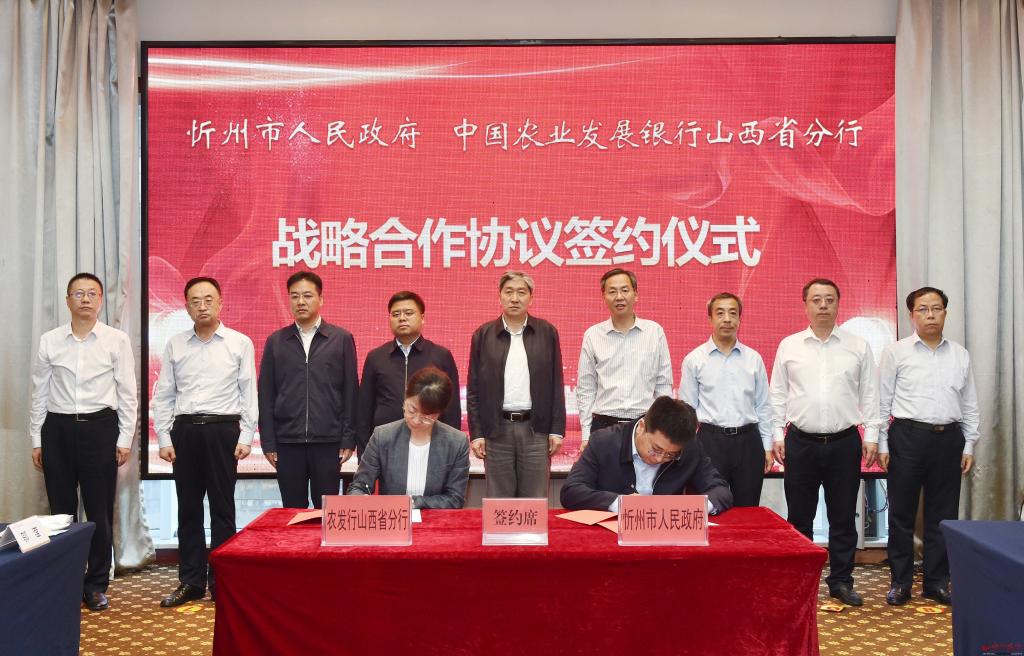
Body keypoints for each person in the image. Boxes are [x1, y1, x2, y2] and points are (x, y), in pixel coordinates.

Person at [29, 273, 138, 612]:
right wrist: (37, 439)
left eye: (92, 293)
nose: (86, 299)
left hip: (100, 429)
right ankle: (66, 580)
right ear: (68, 300)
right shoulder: (50, 340)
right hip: (57, 429)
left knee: (98, 511)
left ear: (101, 300)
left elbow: (128, 393)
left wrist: (124, 438)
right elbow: (39, 392)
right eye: (79, 293)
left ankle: (96, 584)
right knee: (60, 512)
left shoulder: (116, 340)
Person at [769, 278, 880, 607]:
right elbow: (777, 395)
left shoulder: (857, 346)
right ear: (805, 305)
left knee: (843, 517)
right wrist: (776, 434)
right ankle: (801, 582)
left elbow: (869, 394)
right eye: (816, 300)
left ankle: (841, 581)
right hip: (800, 442)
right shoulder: (790, 346)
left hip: (844, 442)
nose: (823, 305)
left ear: (837, 304)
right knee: (799, 517)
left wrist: (872, 435)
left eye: (829, 299)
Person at [152, 277, 258, 607]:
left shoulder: (239, 343)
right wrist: (164, 437)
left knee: (223, 509)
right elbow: (164, 394)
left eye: (208, 299)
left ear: (221, 303)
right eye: (195, 301)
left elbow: (248, 392)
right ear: (186, 307)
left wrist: (246, 436)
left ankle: (222, 581)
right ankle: (191, 581)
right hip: (185, 431)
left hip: (222, 431)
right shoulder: (175, 344)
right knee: (188, 509)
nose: (202, 306)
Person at [878, 286, 980, 606]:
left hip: (949, 439)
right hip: (907, 437)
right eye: (923, 309)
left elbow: (969, 403)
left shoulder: (959, 354)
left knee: (943, 514)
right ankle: (900, 582)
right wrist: (882, 443)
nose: (930, 315)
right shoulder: (897, 352)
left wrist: (969, 444)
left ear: (945, 314)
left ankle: (937, 582)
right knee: (901, 513)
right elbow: (882, 401)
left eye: (936, 308)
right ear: (912, 315)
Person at [258, 271, 357, 508]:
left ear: (320, 299)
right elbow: (266, 395)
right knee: (292, 512)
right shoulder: (276, 341)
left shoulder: (341, 339)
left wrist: (348, 439)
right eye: (294, 296)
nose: (300, 302)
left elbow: (351, 392)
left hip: (328, 442)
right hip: (287, 443)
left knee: (327, 512)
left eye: (307, 296)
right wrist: (268, 442)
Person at [467, 271, 566, 498]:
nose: (514, 298)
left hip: (536, 430)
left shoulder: (547, 332)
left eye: (521, 292)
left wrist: (556, 430)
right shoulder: (483, 335)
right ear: (499, 296)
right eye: (508, 292)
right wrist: (477, 433)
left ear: (531, 298)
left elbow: (556, 384)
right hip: (496, 430)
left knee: (535, 500)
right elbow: (474, 389)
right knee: (499, 501)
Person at [560, 396, 732, 512]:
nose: (660, 459)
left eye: (670, 455)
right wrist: (620, 503)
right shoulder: (603, 442)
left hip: (666, 537)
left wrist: (693, 508)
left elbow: (720, 490)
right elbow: (571, 491)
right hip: (613, 539)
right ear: (642, 427)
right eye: (656, 449)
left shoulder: (689, 449)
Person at [680, 292, 772, 507]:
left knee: (748, 509)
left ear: (740, 319)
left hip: (749, 442)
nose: (727, 319)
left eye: (733, 313)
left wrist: (767, 446)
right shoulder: (695, 359)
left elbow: (763, 406)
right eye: (720, 313)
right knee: (709, 508)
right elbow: (687, 409)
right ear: (710, 319)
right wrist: (686, 450)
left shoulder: (753, 358)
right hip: (710, 442)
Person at [576, 268, 672, 450]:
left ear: (636, 294)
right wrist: (586, 435)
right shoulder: (593, 335)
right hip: (604, 426)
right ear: (604, 297)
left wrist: (663, 429)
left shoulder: (654, 332)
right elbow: (586, 389)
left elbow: (663, 385)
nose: (619, 297)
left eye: (625, 290)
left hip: (645, 426)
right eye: (612, 292)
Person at [349, 367, 470, 508]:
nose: (416, 420)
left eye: (426, 417)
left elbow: (455, 499)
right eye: (412, 410)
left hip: (435, 519)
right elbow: (359, 486)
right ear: (406, 397)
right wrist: (359, 498)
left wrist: (414, 502)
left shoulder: (456, 443)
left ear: (439, 413)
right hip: (392, 517)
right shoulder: (383, 436)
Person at [357, 291, 461, 453]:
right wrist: (364, 451)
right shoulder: (376, 357)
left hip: (431, 442)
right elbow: (364, 408)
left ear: (422, 317)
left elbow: (452, 408)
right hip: (385, 444)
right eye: (395, 314)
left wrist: (451, 448)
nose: (402, 318)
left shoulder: (441, 356)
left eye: (409, 313)